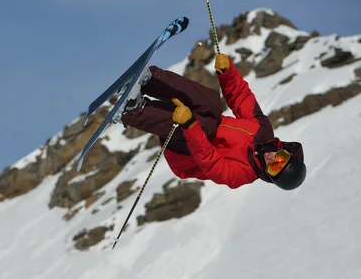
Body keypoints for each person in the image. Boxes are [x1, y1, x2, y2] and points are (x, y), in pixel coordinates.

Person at [120, 53, 307, 190]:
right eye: (281, 158)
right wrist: (227, 73)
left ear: (269, 175)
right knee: (212, 102)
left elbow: (209, 160)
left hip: (188, 156)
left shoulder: (241, 174)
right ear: (285, 151)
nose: (272, 159)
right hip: (198, 126)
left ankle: (134, 110)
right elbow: (242, 98)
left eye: (274, 168)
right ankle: (149, 81)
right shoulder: (263, 132)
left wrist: (190, 125)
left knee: (208, 125)